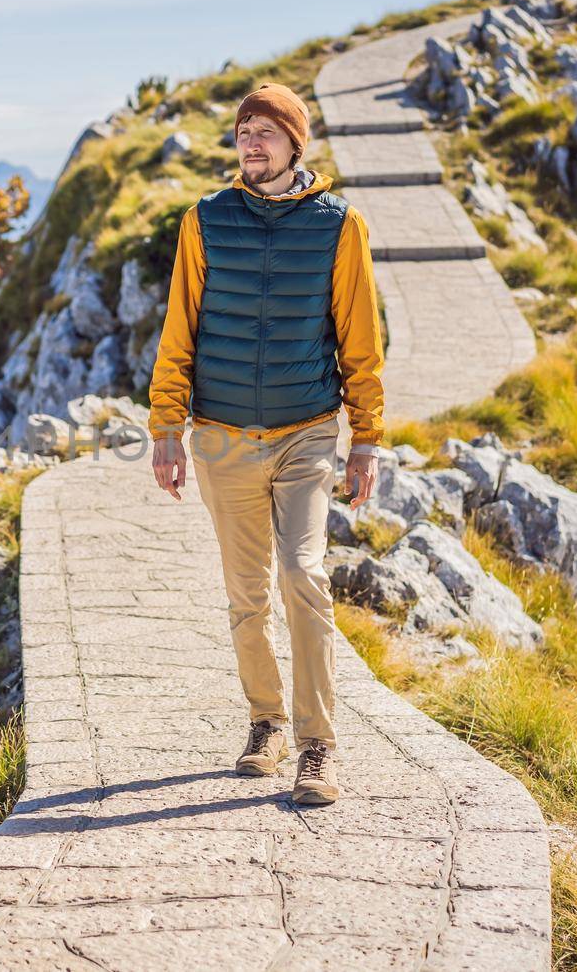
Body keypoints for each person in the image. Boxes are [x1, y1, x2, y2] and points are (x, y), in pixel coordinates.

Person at [148, 81, 385, 805]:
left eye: (266, 132)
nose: (251, 142)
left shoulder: (340, 225)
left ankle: (318, 745)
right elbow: (179, 327)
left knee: (303, 576)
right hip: (221, 437)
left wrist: (366, 439)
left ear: (294, 144)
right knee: (246, 596)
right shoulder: (206, 220)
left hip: (307, 434)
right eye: (244, 131)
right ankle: (266, 722)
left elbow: (360, 339)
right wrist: (166, 427)